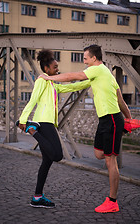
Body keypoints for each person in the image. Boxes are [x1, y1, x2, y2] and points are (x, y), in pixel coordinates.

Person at [39, 45, 132, 213]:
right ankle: (120, 132)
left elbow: (74, 76)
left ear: (94, 59)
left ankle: (112, 201)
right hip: (106, 120)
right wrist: (129, 117)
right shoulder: (106, 75)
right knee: (98, 154)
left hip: (112, 118)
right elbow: (120, 100)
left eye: (85, 59)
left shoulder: (98, 70)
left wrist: (49, 78)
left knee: (110, 160)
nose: (84, 62)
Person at [16, 49, 90, 208]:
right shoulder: (42, 81)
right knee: (57, 155)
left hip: (47, 123)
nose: (57, 69)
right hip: (43, 123)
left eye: (57, 67)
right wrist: (23, 120)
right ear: (47, 69)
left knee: (47, 162)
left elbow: (72, 88)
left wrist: (91, 80)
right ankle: (31, 130)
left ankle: (37, 197)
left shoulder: (53, 85)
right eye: (55, 67)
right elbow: (32, 100)